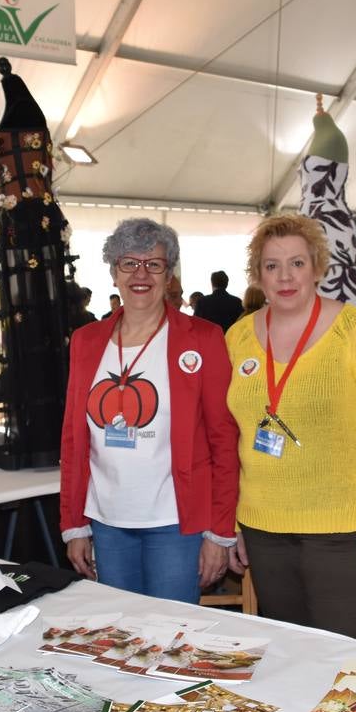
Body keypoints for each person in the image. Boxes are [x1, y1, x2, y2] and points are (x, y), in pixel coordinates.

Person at [224, 215, 356, 641]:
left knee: (340, 663)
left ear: (318, 268)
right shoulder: (237, 338)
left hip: (342, 534)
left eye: (297, 263)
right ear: (257, 274)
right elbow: (230, 436)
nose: (285, 277)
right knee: (288, 655)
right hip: (264, 528)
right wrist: (235, 523)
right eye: (272, 266)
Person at [59, 218, 238, 603]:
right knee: (118, 636)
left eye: (153, 264)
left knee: (172, 635)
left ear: (169, 274)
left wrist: (219, 530)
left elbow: (223, 439)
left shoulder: (203, 339)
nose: (141, 274)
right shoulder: (86, 341)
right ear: (113, 272)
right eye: (129, 263)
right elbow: (74, 439)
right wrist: (73, 524)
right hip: (106, 521)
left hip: (176, 523)